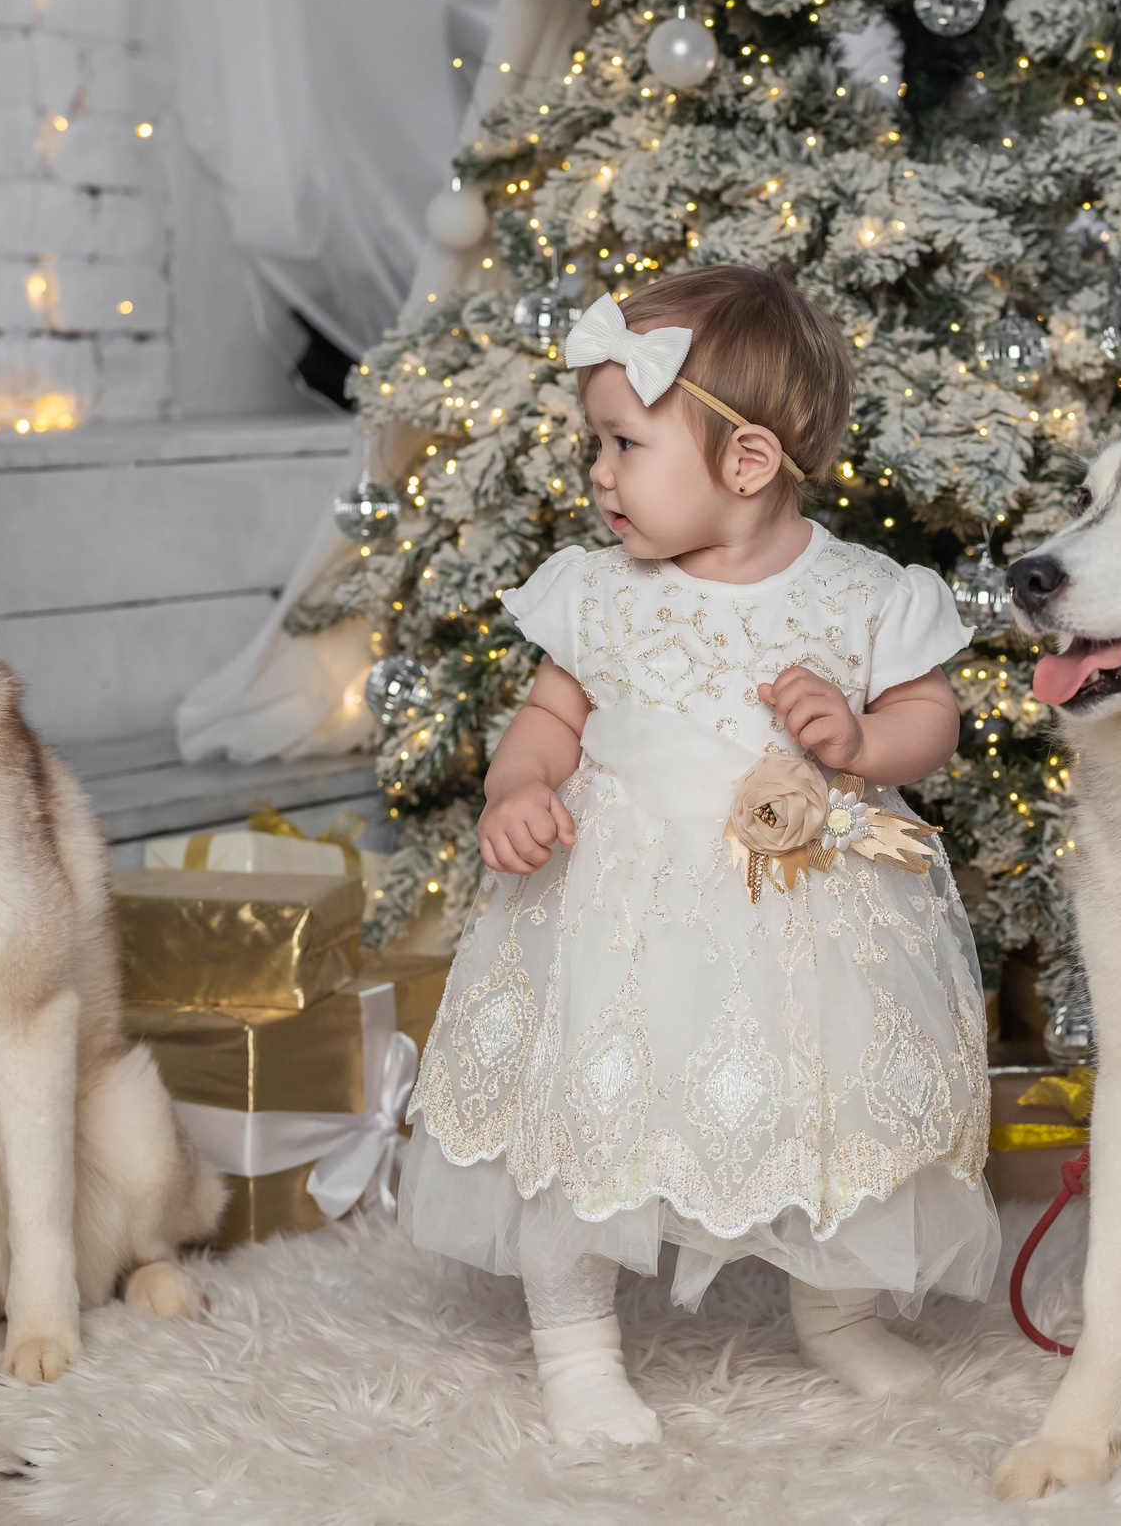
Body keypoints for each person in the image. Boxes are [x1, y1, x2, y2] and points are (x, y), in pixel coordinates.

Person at [398, 265, 999, 1447]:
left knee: (836, 1112)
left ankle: (836, 1313)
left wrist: (866, 736)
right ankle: (575, 1343)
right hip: (615, 910)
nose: (599, 475)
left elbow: (932, 718)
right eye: (597, 446)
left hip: (805, 912)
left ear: (750, 462)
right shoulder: (600, 596)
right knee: (584, 1118)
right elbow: (550, 719)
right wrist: (520, 783)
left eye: (622, 444)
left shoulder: (862, 593)